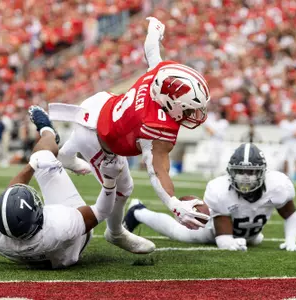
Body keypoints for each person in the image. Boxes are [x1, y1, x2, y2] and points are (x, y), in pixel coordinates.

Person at [48, 17, 210, 254]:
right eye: (189, 108)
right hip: (97, 136)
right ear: (170, 102)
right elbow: (157, 172)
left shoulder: (158, 76)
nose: (194, 114)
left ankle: (66, 155)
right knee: (124, 188)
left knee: (106, 127)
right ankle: (115, 233)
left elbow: (151, 50)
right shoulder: (156, 127)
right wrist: (174, 205)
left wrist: (155, 29)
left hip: (99, 104)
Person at [0, 106, 125, 269]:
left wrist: (31, 166)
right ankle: (47, 130)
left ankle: (48, 141)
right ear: (38, 217)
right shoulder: (62, 224)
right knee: (42, 155)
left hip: (44, 245)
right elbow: (102, 211)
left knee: (34, 165)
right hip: (76, 241)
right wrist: (110, 180)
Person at [123, 143, 296, 252]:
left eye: (251, 172)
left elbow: (290, 214)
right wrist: (231, 242)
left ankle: (250, 237)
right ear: (231, 171)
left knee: (255, 239)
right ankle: (138, 211)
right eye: (240, 172)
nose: (245, 177)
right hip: (212, 232)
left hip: (247, 234)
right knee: (179, 233)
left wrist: (291, 241)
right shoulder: (220, 190)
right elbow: (223, 240)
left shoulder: (278, 186)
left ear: (263, 173)